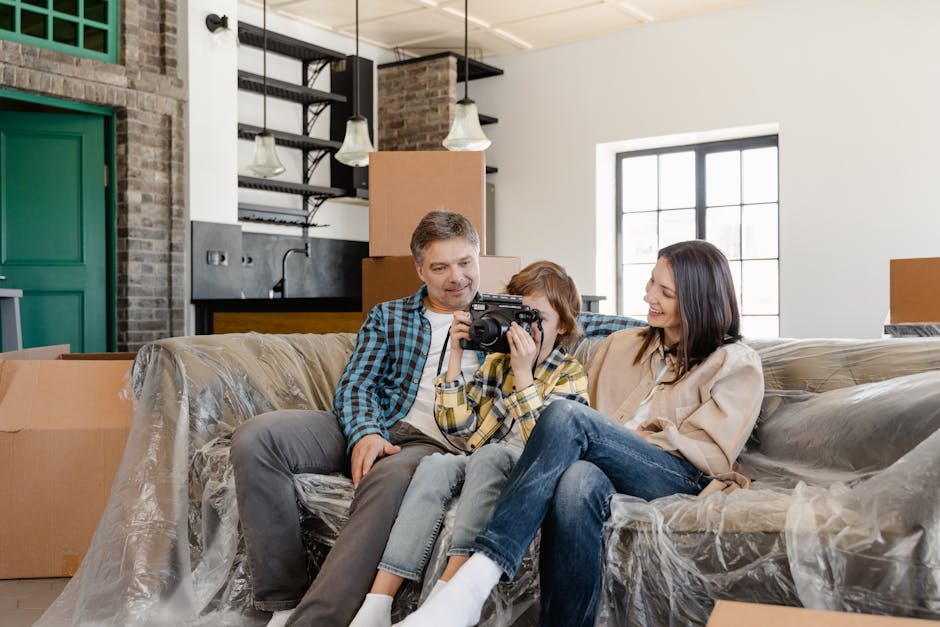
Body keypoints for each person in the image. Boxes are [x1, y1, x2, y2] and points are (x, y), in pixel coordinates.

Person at [230, 211, 642, 627]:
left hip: (433, 442)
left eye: (465, 263)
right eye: (440, 267)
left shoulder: (504, 317)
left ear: (478, 259)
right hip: (381, 421)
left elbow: (569, 318)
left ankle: (318, 620)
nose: (456, 277)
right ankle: (281, 601)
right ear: (419, 269)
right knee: (256, 438)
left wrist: (662, 323)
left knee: (388, 478)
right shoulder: (389, 317)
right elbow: (356, 386)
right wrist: (365, 432)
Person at [400, 240, 765, 627]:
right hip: (602, 464)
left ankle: (480, 574)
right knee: (576, 480)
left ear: (697, 301)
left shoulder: (735, 362)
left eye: (665, 292)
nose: (648, 295)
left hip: (678, 475)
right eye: (650, 283)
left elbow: (712, 452)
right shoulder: (623, 345)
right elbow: (562, 319)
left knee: (566, 414)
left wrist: (637, 437)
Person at [350, 261, 589, 627]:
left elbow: (549, 444)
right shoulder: (496, 364)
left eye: (538, 318)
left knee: (491, 455)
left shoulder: (569, 374)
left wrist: (524, 374)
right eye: (520, 318)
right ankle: (378, 601)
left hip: (529, 475)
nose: (526, 331)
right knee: (437, 465)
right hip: (478, 459)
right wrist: (456, 356)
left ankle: (449, 591)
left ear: (565, 326)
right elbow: (457, 427)